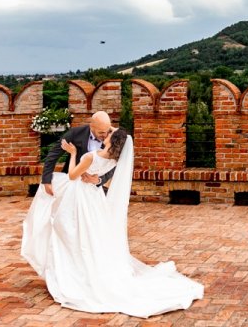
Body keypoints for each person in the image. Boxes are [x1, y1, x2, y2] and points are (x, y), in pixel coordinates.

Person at [22, 128, 204, 317]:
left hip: (80, 198)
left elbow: (72, 176)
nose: (104, 134)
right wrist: (96, 179)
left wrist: (74, 153)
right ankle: (82, 269)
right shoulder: (114, 160)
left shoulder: (91, 156)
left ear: (111, 140)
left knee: (70, 232)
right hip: (94, 198)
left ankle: (74, 274)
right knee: (89, 235)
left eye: (108, 133)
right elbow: (98, 177)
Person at [41, 111, 115, 195]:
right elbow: (53, 154)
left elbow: (113, 164)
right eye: (101, 132)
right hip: (72, 186)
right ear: (92, 126)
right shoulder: (75, 133)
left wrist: (99, 180)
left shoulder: (112, 138)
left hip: (95, 189)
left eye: (107, 131)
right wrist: (46, 180)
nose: (105, 135)